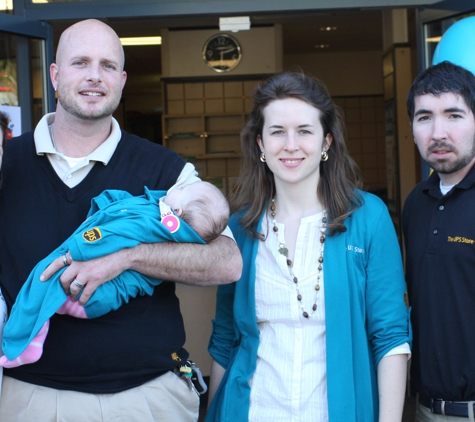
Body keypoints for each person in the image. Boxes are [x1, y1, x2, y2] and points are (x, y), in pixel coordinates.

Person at [0, 19, 241, 422]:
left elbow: (228, 262)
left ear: (122, 80)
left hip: (147, 397)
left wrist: (128, 257)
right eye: (80, 63)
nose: (95, 76)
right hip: (32, 398)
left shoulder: (167, 171)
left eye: (108, 66)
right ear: (56, 75)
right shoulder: (9, 163)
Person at [206, 71, 411, 422]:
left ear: (327, 142)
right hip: (253, 411)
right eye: (276, 132)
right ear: (259, 143)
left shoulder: (367, 218)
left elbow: (390, 336)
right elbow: (225, 341)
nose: (290, 144)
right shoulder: (240, 230)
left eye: (304, 131)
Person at [0, 180, 229, 368]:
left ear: (176, 211)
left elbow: (115, 232)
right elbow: (126, 208)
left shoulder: (151, 222)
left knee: (43, 276)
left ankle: (20, 343)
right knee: (49, 293)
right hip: (98, 298)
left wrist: (78, 247)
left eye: (182, 189)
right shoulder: (164, 221)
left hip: (94, 296)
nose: (177, 186)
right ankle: (33, 336)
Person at [404, 61, 475, 421]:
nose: (437, 132)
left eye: (454, 115)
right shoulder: (416, 203)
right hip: (427, 409)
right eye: (424, 117)